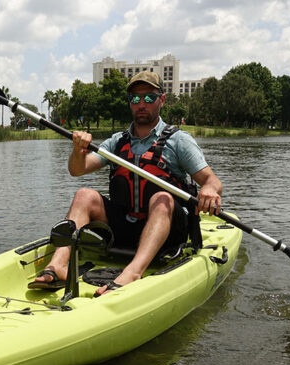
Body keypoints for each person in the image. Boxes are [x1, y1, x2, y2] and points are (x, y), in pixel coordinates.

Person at [31, 70, 223, 296]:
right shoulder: (118, 141)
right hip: (124, 231)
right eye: (135, 98)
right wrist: (77, 150)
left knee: (161, 197)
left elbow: (212, 180)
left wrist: (209, 190)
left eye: (149, 97)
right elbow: (77, 169)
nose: (142, 103)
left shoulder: (178, 140)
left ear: (162, 100)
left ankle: (133, 272)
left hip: (167, 234)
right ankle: (59, 265)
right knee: (84, 195)